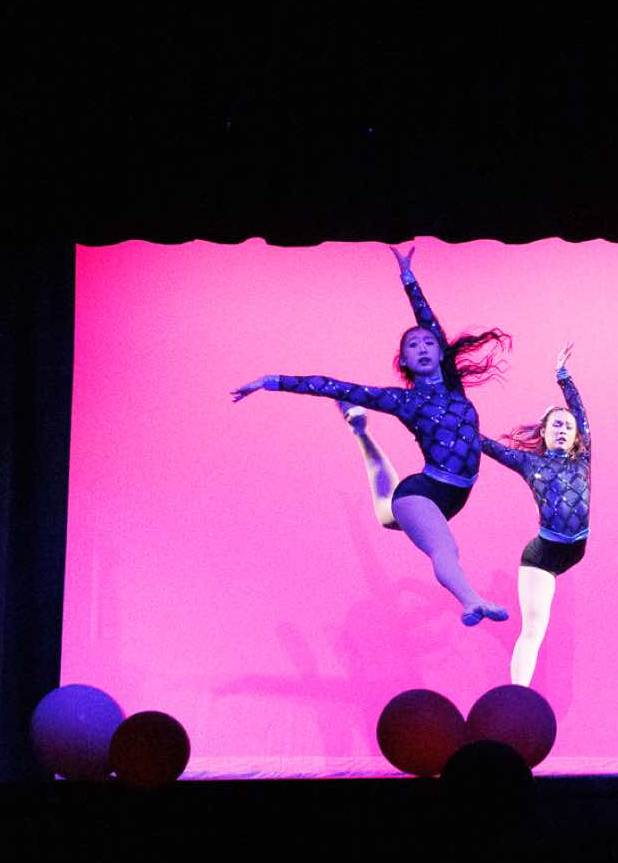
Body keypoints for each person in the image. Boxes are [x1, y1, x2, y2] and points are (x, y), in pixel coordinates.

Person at [232, 244, 510, 625]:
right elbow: (333, 385)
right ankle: (472, 601)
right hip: (422, 493)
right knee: (444, 547)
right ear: (404, 361)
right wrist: (270, 381)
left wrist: (408, 277)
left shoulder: (453, 389)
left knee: (387, 514)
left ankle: (357, 429)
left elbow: (427, 320)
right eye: (413, 345)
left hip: (451, 498)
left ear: (441, 352)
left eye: (429, 343)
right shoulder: (405, 401)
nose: (422, 347)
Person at [479, 346, 592, 685]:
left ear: (576, 437)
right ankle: (518, 693)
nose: (562, 429)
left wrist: (563, 377)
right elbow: (490, 447)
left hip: (575, 548)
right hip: (543, 556)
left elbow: (581, 413)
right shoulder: (530, 463)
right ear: (543, 432)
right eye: (555, 424)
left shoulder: (583, 459)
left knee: (542, 632)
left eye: (568, 427)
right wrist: (460, 427)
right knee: (533, 631)